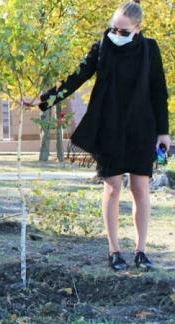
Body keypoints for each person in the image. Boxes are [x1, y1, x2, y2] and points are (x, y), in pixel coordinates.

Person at [24, 1, 170, 271]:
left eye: (124, 31)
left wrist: (164, 131)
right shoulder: (102, 46)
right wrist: (43, 101)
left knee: (141, 189)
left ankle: (141, 251)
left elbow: (159, 90)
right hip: (109, 125)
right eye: (113, 28)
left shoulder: (150, 49)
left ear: (138, 29)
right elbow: (76, 77)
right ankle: (114, 251)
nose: (116, 34)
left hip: (142, 127)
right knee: (113, 188)